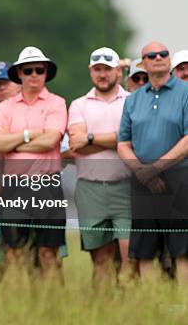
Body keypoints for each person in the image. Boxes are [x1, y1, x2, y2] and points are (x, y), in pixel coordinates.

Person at [0, 46, 67, 282]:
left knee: (48, 252)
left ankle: (52, 310)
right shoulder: (5, 107)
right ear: (19, 73)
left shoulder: (57, 103)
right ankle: (17, 309)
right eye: (29, 70)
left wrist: (12, 145)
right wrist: (29, 135)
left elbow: (51, 139)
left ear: (46, 73)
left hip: (47, 184)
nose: (34, 74)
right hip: (14, 186)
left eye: (39, 70)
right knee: (14, 252)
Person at [117, 41, 188, 284]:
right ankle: (152, 307)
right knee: (144, 249)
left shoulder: (186, 92)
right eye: (152, 55)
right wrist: (141, 171)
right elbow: (123, 143)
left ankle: (182, 307)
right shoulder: (133, 100)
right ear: (143, 63)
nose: (159, 57)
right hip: (142, 183)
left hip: (180, 179)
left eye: (163, 54)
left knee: (182, 249)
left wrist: (155, 169)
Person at [67, 47, 132, 284]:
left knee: (129, 255)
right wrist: (118, 140)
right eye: (97, 70)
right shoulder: (79, 104)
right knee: (101, 260)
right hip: (90, 189)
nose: (102, 74)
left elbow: (133, 139)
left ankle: (129, 312)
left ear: (117, 70)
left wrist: (91, 138)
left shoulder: (132, 101)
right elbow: (76, 143)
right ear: (90, 71)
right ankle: (105, 312)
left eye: (107, 69)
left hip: (126, 187)